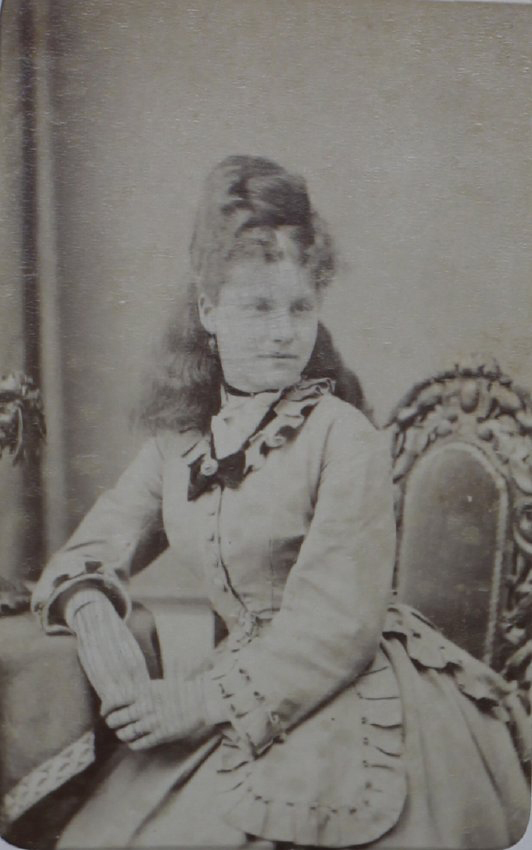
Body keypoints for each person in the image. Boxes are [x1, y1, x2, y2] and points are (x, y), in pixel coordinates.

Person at [31, 155, 530, 849]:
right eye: (257, 307)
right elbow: (93, 546)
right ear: (208, 310)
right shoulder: (180, 443)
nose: (282, 331)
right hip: (238, 677)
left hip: (344, 683)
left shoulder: (344, 437)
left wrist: (195, 701)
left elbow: (335, 624)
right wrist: (91, 609)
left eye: (300, 307)